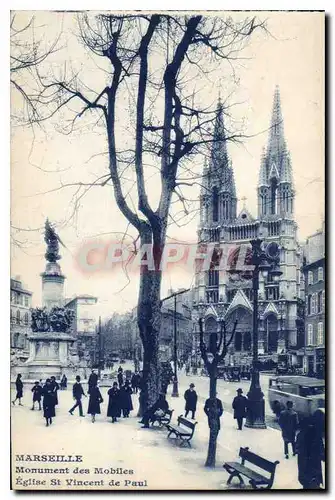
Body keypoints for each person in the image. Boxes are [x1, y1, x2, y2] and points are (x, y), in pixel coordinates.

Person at [296, 416, 325, 489]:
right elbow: (322, 453)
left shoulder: (300, 435)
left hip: (305, 469)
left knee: (306, 483)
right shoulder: (317, 436)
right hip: (314, 470)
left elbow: (297, 448)